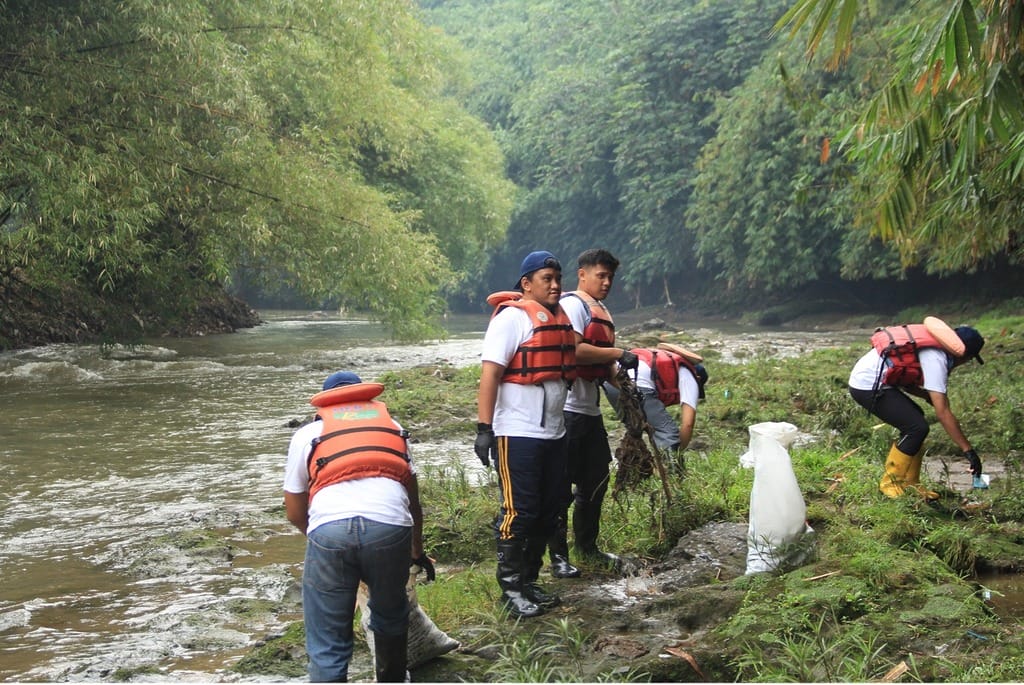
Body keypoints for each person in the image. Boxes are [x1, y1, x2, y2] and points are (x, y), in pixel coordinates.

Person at [283, 371, 429, 682]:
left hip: (329, 531)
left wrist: (327, 541)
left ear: (324, 405)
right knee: (390, 617)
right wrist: (416, 550)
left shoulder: (309, 434)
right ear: (368, 400)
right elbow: (412, 502)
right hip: (390, 527)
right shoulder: (393, 428)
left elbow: (294, 509)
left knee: (328, 641)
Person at [474, 250, 576, 618]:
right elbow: (490, 375)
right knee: (520, 511)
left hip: (554, 432)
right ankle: (511, 589)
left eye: (557, 278)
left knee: (549, 510)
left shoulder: (559, 319)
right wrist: (485, 429)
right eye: (546, 278)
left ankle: (530, 580)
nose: (554, 284)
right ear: (526, 283)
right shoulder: (512, 320)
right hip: (517, 433)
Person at [546, 248, 638, 578]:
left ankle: (588, 547)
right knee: (560, 488)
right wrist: (619, 352)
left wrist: (624, 384)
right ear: (582, 275)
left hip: (590, 410)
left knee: (596, 480)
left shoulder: (601, 309)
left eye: (611, 276)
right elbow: (575, 349)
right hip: (567, 411)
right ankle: (559, 557)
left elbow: (603, 362)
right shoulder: (574, 305)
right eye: (601, 275)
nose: (607, 282)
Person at [848, 322, 986, 499]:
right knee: (916, 427)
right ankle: (890, 485)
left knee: (917, 422)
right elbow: (943, 413)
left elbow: (906, 380)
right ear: (963, 355)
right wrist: (969, 451)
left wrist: (925, 396)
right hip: (867, 384)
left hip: (876, 380)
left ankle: (911, 484)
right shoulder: (936, 358)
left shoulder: (933, 348)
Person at [604, 343, 708, 462]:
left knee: (635, 431)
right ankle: (671, 473)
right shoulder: (691, 377)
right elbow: (688, 425)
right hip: (636, 384)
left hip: (612, 380)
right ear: (699, 379)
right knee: (667, 433)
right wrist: (678, 451)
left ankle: (635, 471)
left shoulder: (665, 360)